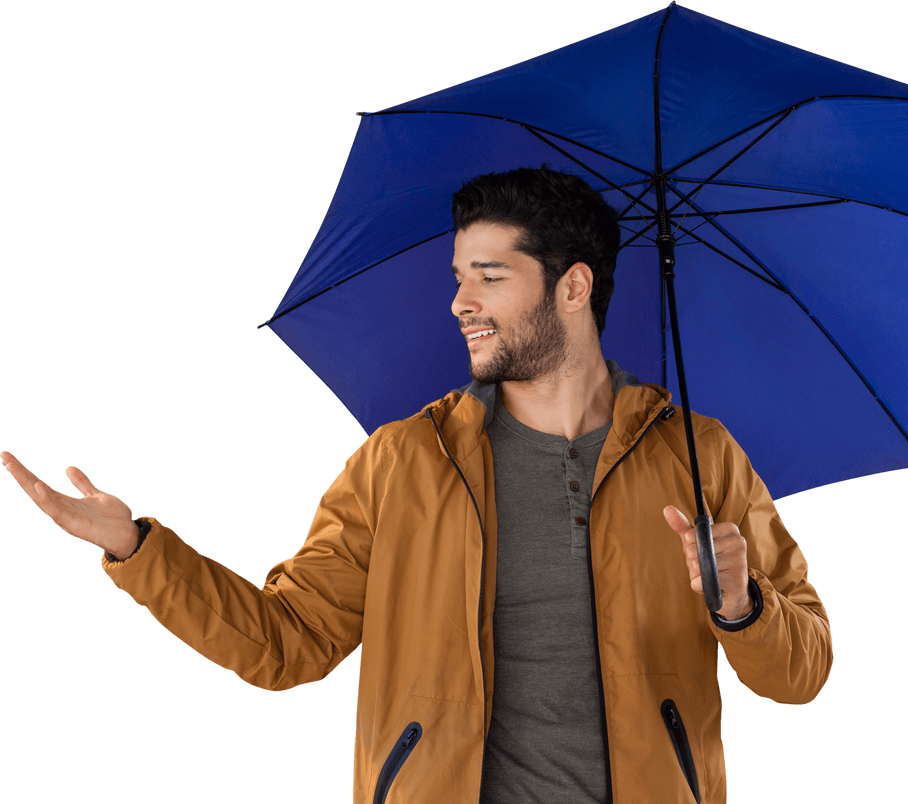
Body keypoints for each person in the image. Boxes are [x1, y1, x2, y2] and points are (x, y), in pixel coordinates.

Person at [1, 166, 832, 804]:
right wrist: (139, 550)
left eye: (489, 276)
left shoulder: (701, 457)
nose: (459, 301)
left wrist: (742, 609)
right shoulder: (405, 463)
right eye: (458, 277)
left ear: (573, 286)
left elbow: (803, 673)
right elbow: (286, 644)